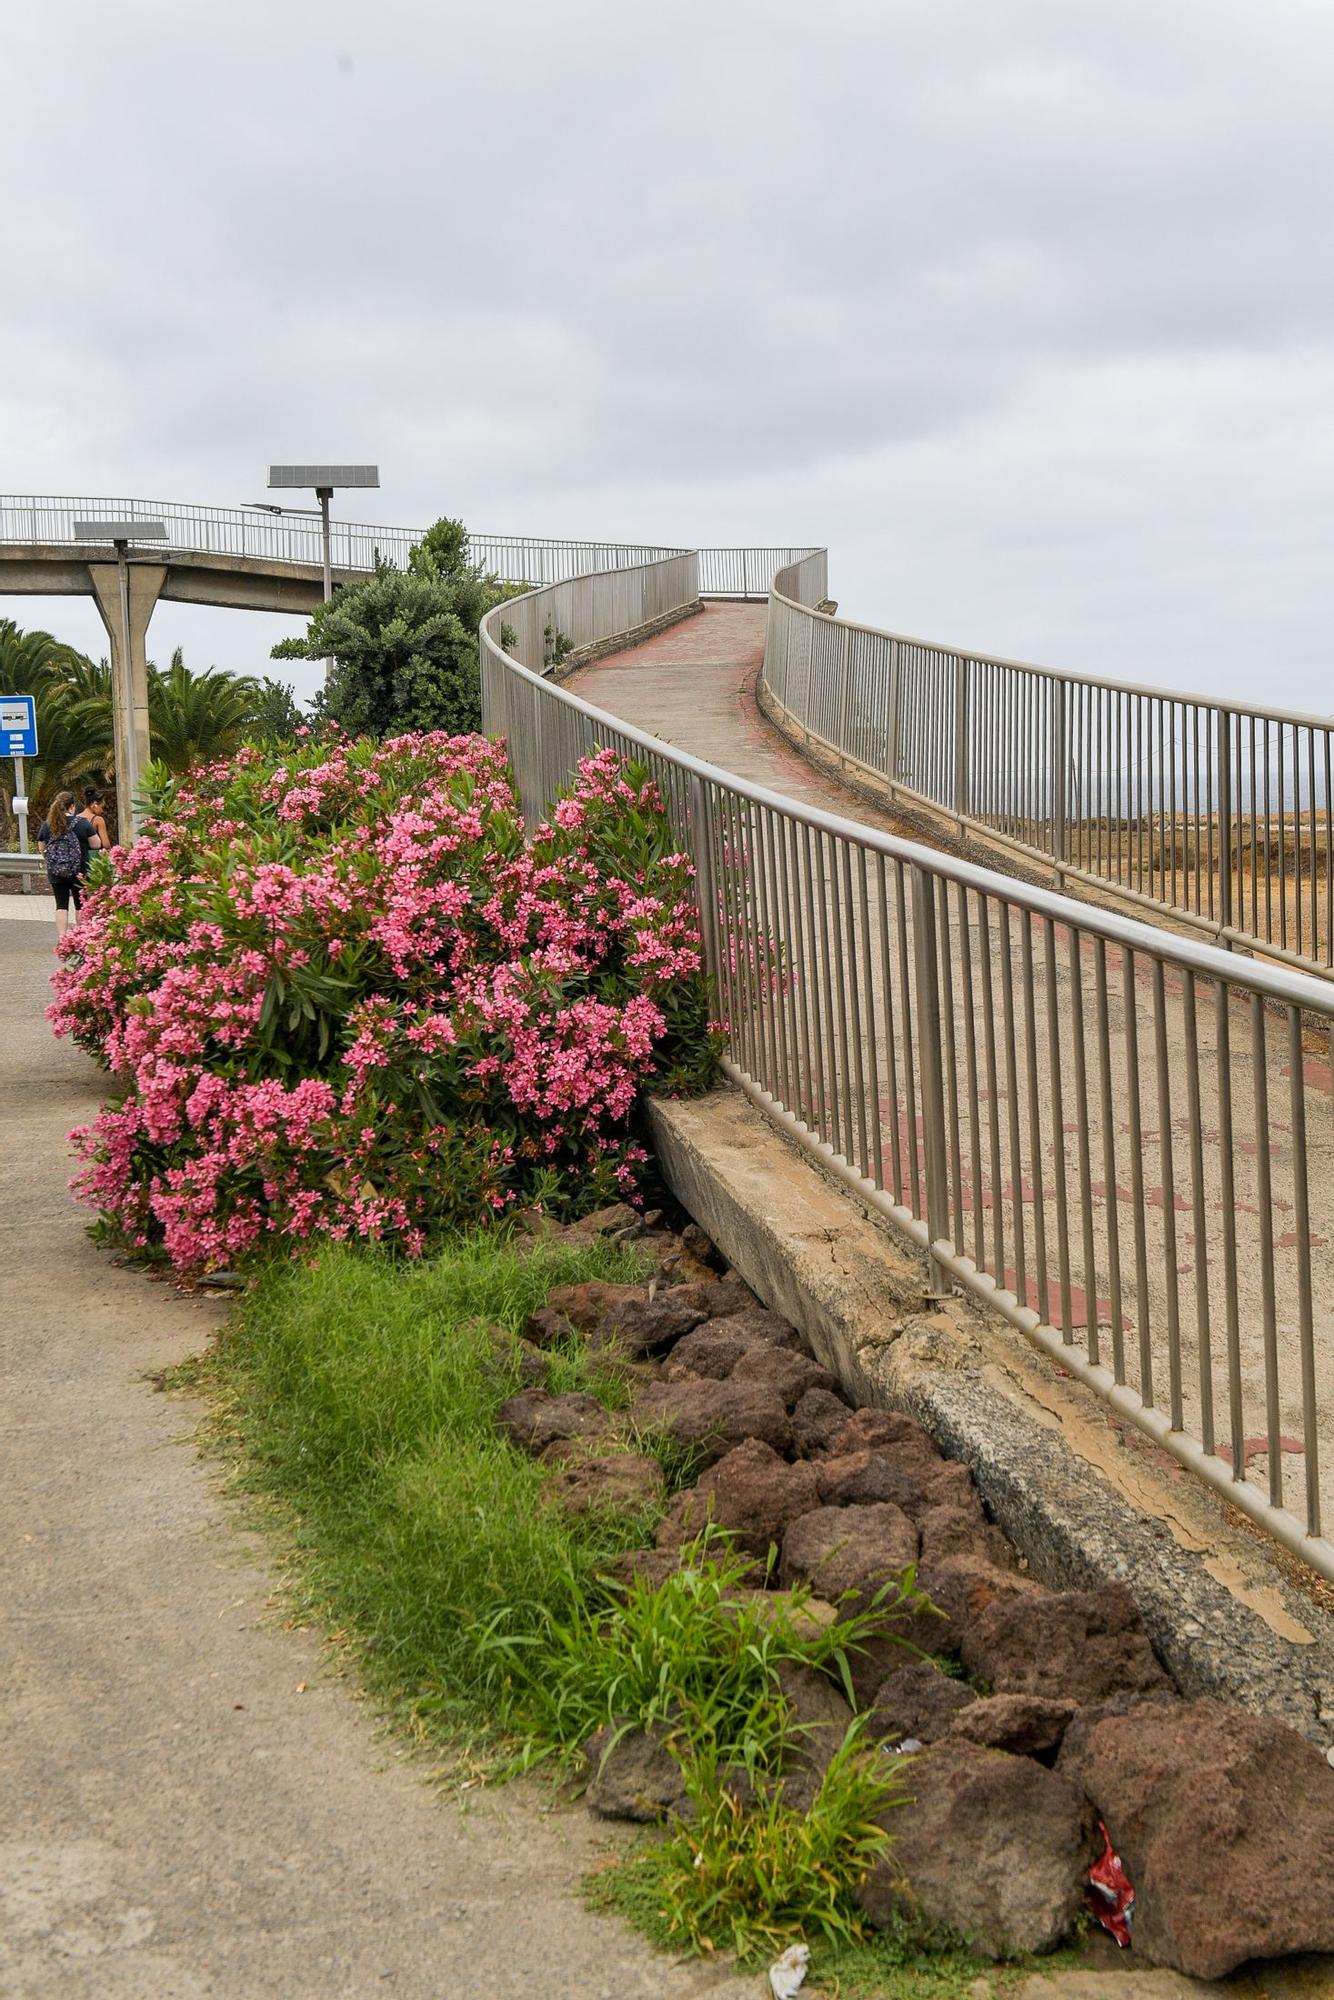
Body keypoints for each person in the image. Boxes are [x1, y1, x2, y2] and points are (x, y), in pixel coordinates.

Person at [37, 790, 99, 943]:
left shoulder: (47, 825)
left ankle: (63, 938)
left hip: (56, 873)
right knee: (80, 904)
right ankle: (83, 936)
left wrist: (55, 862)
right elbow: (96, 844)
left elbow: (42, 848)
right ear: (72, 806)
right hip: (80, 871)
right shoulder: (83, 823)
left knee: (61, 905)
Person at [83, 786, 112, 859]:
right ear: (95, 804)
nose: (102, 811)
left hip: (80, 858)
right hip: (94, 858)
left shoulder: (76, 818)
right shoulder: (98, 820)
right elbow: (106, 845)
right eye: (101, 807)